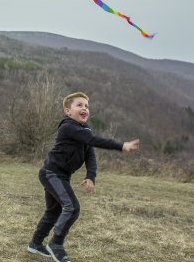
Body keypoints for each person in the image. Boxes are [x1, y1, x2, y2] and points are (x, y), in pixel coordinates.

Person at [27, 92, 139, 262]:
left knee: (53, 211)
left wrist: (91, 176)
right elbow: (94, 140)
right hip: (51, 173)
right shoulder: (68, 127)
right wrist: (121, 146)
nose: (84, 108)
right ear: (68, 111)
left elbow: (90, 156)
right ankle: (56, 243)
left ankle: (35, 244)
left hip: (61, 176)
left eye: (86, 106)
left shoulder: (84, 130)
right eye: (79, 105)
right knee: (72, 208)